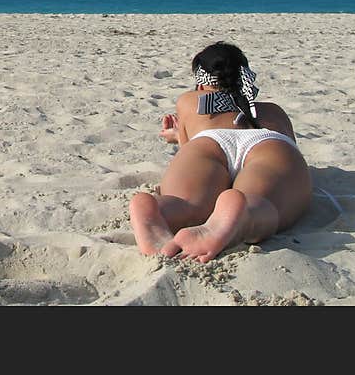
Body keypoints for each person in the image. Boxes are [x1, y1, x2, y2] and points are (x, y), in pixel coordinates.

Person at [129, 41, 312, 263]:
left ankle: (159, 209)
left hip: (208, 142)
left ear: (202, 84)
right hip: (268, 144)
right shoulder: (274, 111)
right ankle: (243, 212)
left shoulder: (189, 102)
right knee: (264, 204)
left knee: (188, 203)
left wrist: (178, 135)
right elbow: (291, 156)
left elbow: (187, 146)